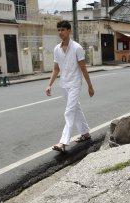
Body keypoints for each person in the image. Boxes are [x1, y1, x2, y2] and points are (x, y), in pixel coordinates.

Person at [46, 20, 94, 152]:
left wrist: (90, 86)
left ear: (69, 30)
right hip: (64, 84)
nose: (60, 32)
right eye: (59, 30)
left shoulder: (77, 48)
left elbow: (83, 68)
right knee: (76, 109)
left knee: (69, 111)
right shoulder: (57, 49)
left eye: (63, 30)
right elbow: (56, 69)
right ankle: (85, 133)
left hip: (74, 84)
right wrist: (49, 84)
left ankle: (63, 143)